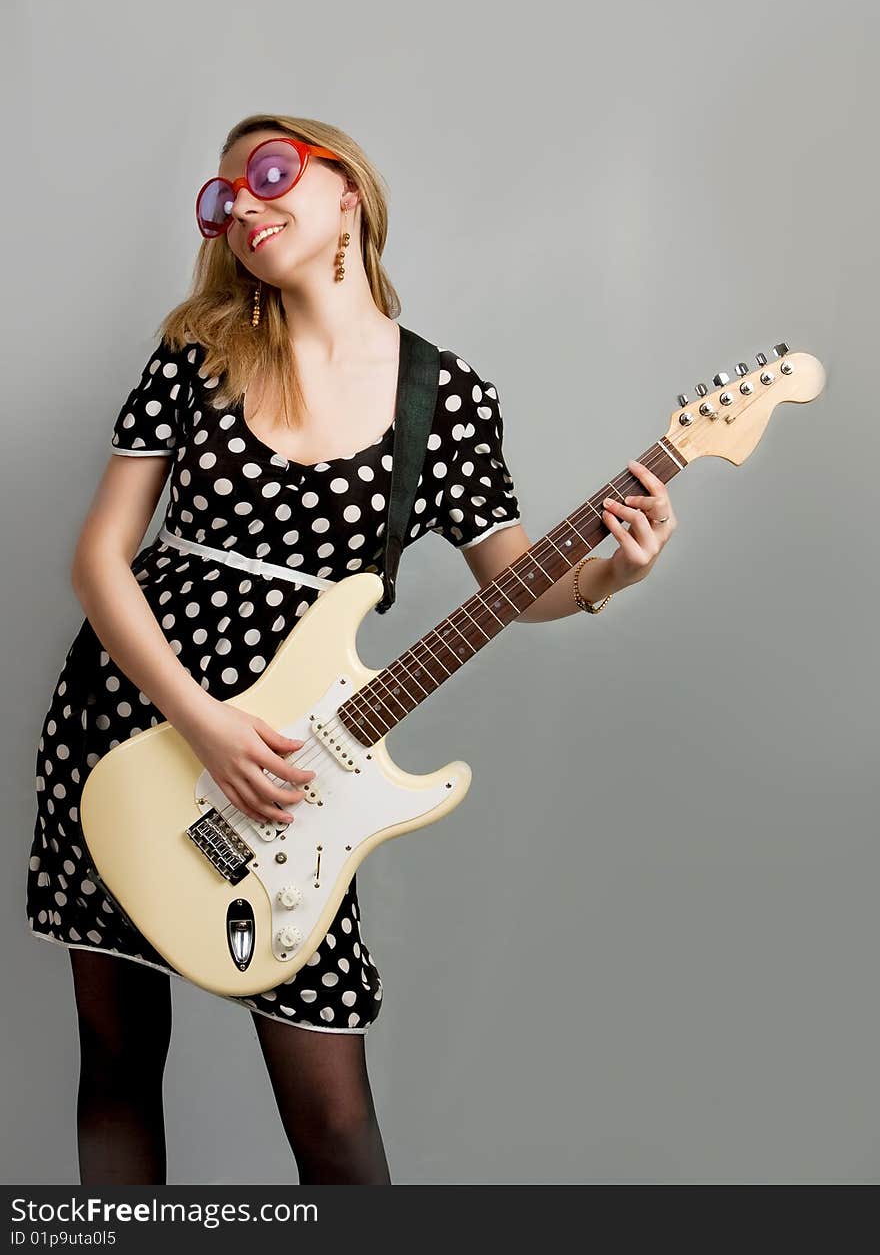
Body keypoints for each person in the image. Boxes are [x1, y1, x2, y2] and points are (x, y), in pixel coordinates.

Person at [26, 114, 677, 1185]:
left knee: (332, 1122)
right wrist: (201, 719)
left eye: (269, 174)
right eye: (222, 195)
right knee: (117, 1057)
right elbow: (102, 560)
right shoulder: (198, 351)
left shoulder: (447, 400)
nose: (241, 204)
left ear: (349, 193)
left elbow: (516, 586)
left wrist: (610, 574)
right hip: (130, 722)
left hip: (297, 768)